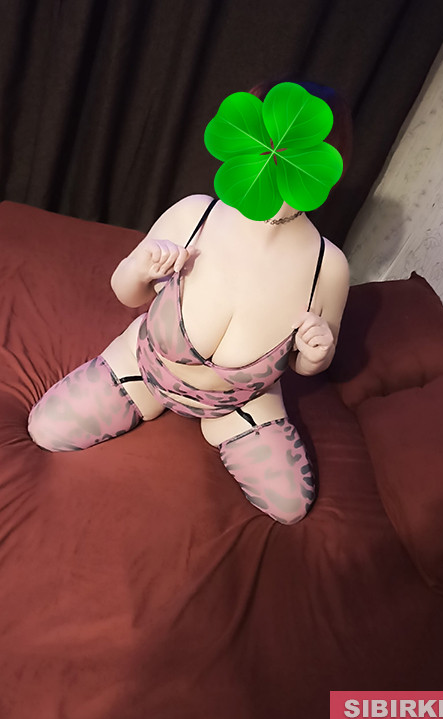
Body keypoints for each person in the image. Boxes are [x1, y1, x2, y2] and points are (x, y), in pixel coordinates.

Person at [27, 76, 352, 525]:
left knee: (290, 505)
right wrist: (141, 269)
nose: (275, 161)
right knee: (47, 429)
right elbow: (125, 291)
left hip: (237, 403)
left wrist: (317, 354)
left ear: (326, 163)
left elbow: (307, 364)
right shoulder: (196, 214)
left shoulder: (327, 266)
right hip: (145, 368)